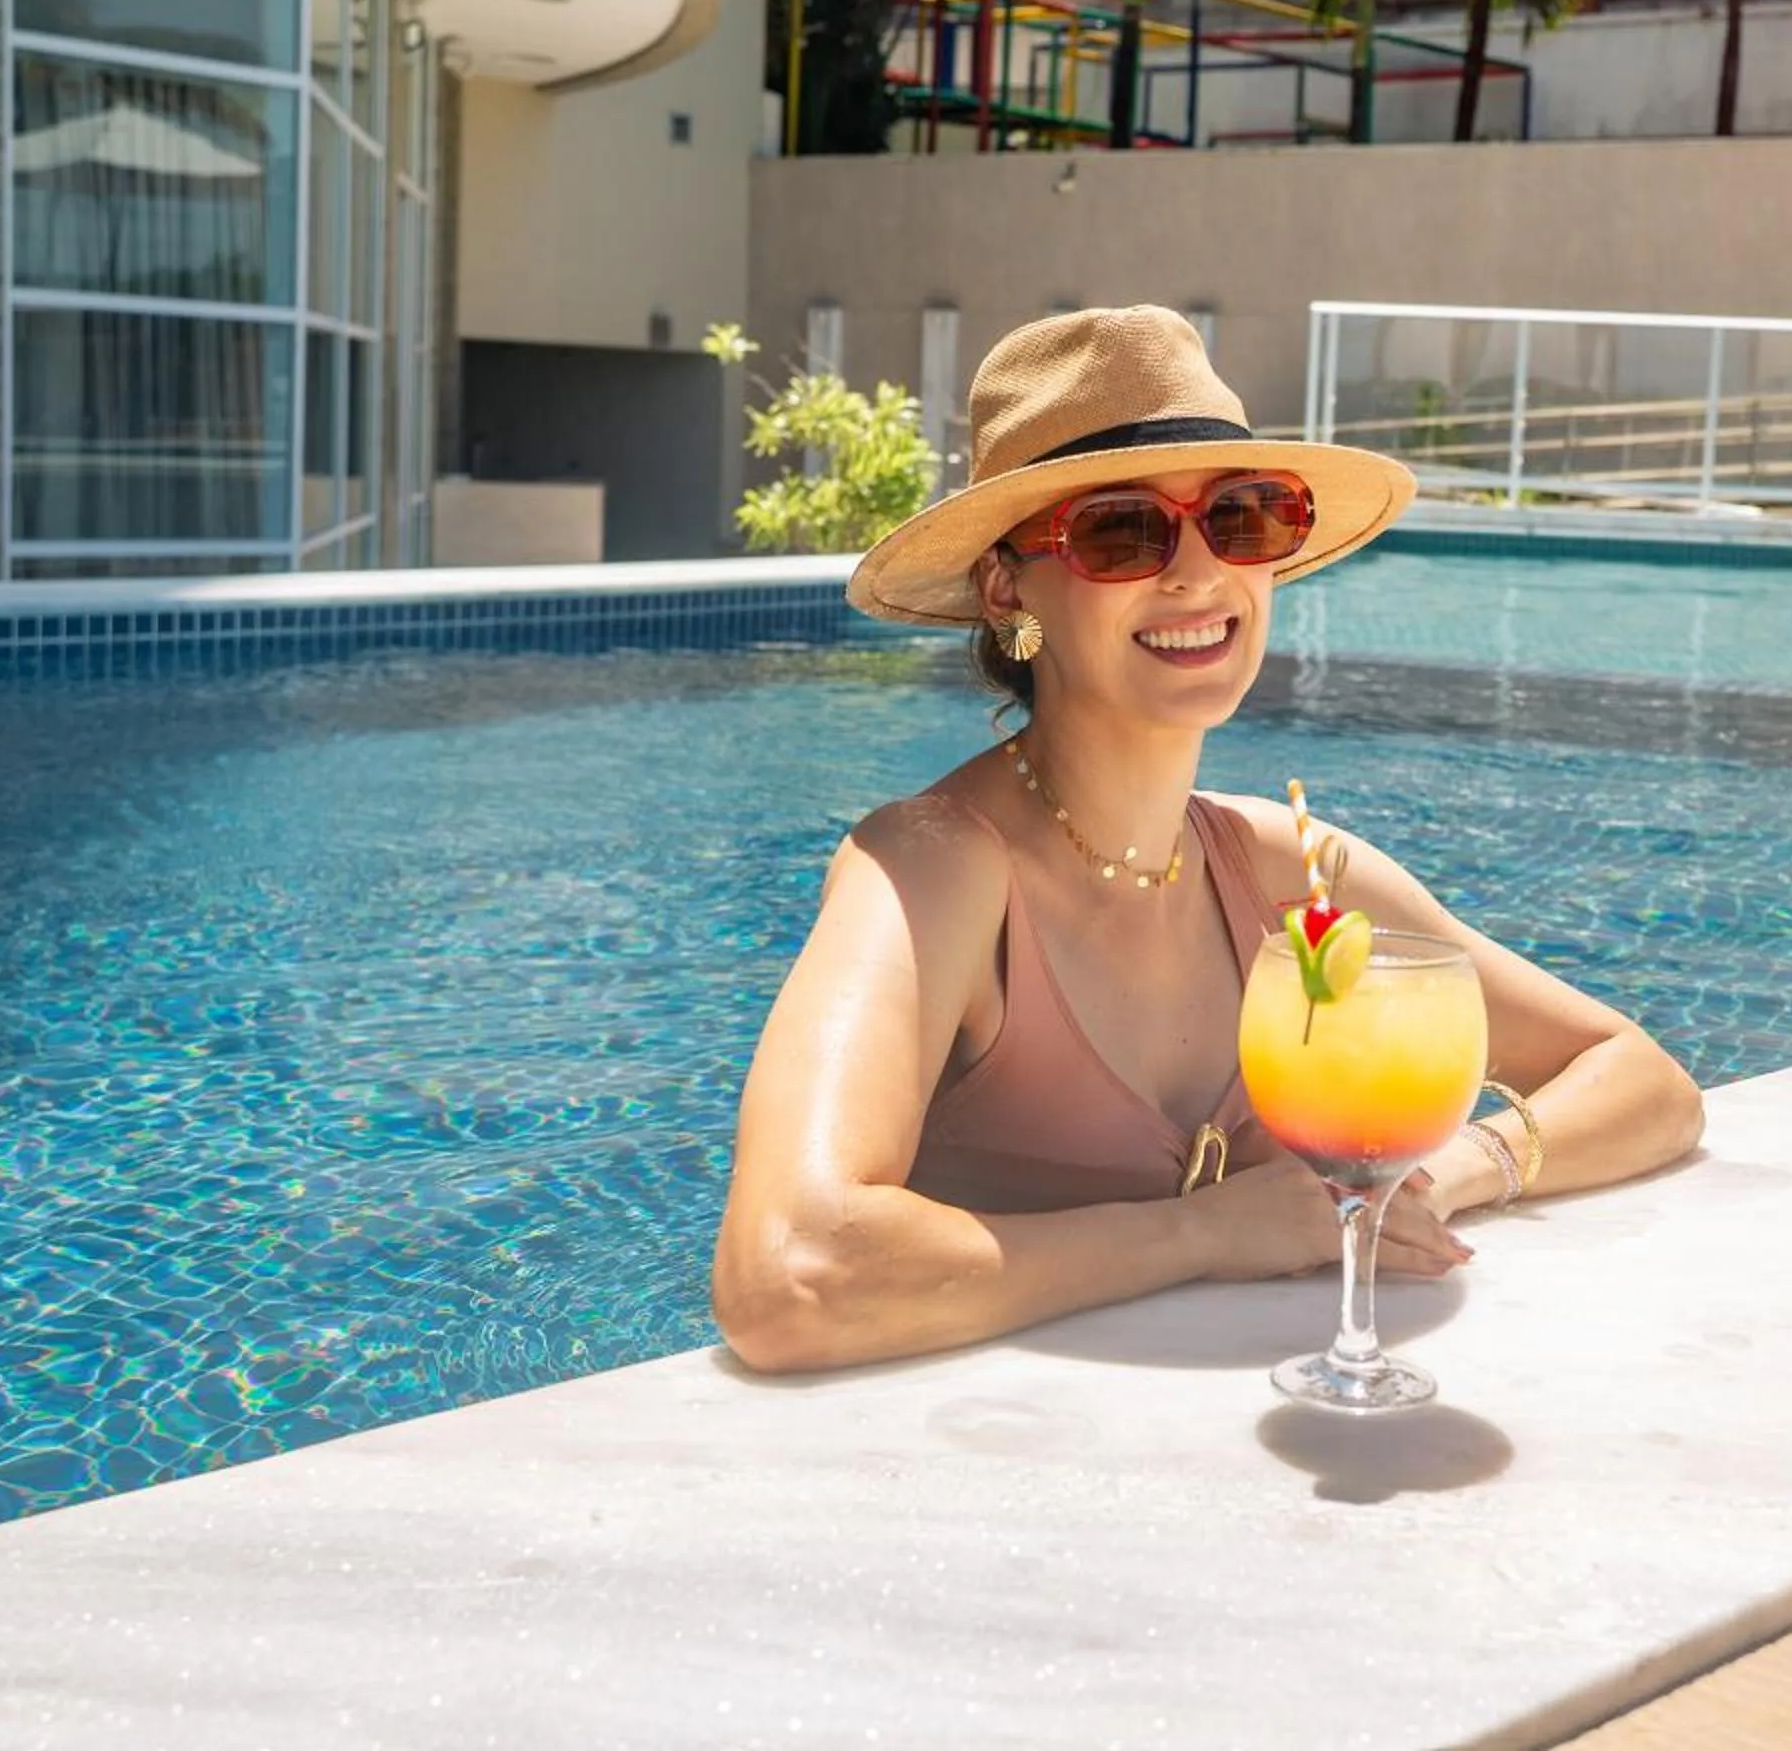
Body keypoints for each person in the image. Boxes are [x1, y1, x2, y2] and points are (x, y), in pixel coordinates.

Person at [712, 307, 1702, 1374]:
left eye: (1243, 518)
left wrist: (1444, 1174)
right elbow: (788, 1273)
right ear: (1007, 589)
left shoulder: (1290, 867)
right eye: (1121, 532)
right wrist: (1214, 1230)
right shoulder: (931, 867)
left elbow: (1642, 1077)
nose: (1196, 574)